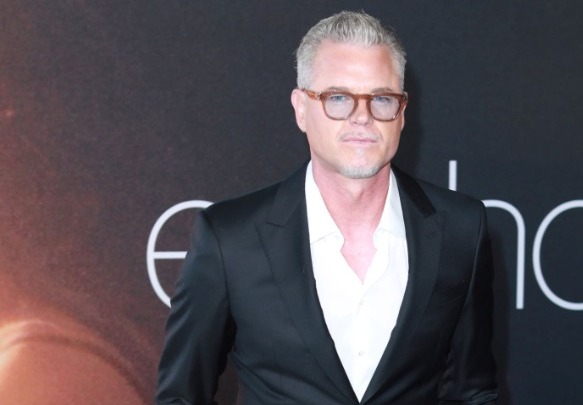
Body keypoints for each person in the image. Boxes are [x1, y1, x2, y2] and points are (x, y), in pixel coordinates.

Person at [156, 10, 498, 405]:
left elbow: (473, 392)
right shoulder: (230, 239)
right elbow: (180, 397)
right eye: (338, 98)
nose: (362, 117)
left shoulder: (460, 229)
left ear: (402, 113)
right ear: (301, 108)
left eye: (381, 98)